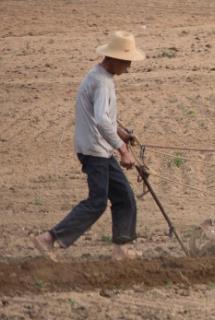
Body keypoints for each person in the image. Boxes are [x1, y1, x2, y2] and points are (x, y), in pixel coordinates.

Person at [32, 31, 146, 261]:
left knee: (124, 196)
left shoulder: (98, 76)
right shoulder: (102, 82)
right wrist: (123, 151)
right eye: (126, 62)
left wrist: (122, 134)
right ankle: (48, 239)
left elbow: (103, 118)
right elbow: (102, 121)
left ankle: (121, 250)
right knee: (96, 203)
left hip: (97, 148)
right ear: (113, 59)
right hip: (95, 151)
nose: (128, 68)